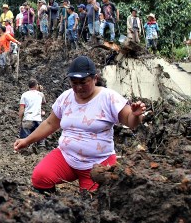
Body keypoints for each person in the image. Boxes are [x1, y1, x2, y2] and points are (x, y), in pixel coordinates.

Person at [13, 56, 146, 192]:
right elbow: (49, 123)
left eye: (83, 82)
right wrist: (27, 141)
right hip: (66, 157)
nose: (78, 87)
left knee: (93, 201)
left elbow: (131, 122)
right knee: (40, 178)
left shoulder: (108, 97)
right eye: (74, 83)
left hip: (98, 164)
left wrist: (136, 115)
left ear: (95, 79)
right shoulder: (66, 97)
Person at [19, 79, 46, 149]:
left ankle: (25, 152)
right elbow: (43, 102)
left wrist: (20, 119)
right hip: (38, 119)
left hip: (27, 119)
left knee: (24, 140)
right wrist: (40, 91)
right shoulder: (41, 94)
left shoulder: (24, 95)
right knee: (41, 140)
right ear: (37, 85)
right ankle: (41, 152)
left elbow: (21, 109)